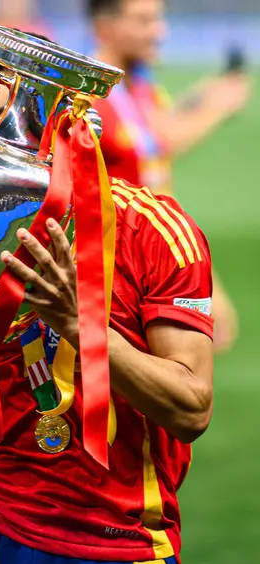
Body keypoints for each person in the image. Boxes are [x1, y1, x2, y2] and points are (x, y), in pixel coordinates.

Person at [0, 35, 214, 564]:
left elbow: (192, 407)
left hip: (112, 545)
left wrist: (78, 324)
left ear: (60, 124)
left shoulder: (154, 230)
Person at [88, 0, 250, 354]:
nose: (160, 31)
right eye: (144, 21)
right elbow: (157, 149)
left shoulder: (143, 88)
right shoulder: (87, 101)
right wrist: (214, 108)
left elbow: (155, 165)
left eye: (158, 19)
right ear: (106, 27)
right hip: (112, 285)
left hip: (156, 267)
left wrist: (206, 278)